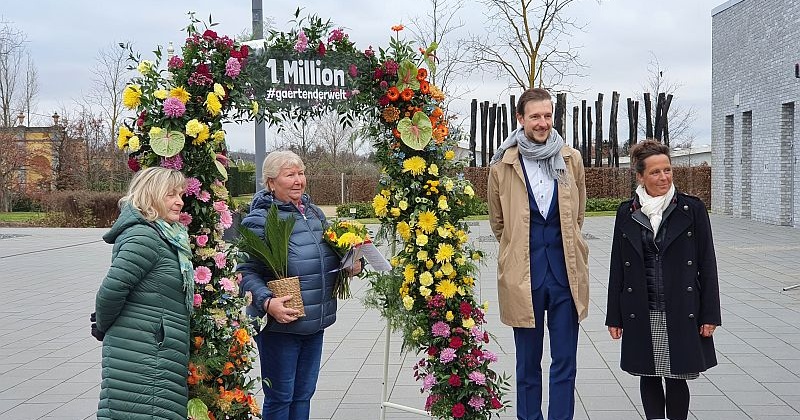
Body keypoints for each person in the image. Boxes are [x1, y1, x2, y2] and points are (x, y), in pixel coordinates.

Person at [488, 88, 590, 420]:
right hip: (524, 278)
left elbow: (577, 215)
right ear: (520, 119)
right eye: (535, 116)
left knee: (565, 362)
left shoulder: (571, 159)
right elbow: (498, 223)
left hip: (564, 277)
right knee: (527, 365)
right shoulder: (502, 165)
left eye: (547, 115)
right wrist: (517, 252)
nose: (542, 122)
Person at [238, 150, 361, 420]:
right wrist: (268, 302)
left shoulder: (314, 214)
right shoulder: (259, 219)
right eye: (290, 174)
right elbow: (245, 272)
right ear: (271, 182)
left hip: (315, 322)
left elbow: (325, 260)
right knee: (281, 397)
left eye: (301, 173)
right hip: (280, 327)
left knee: (304, 394)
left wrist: (349, 266)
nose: (298, 180)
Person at [605, 140, 721, 420]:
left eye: (667, 170)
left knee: (676, 375)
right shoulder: (627, 212)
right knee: (649, 373)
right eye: (655, 172)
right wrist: (614, 316)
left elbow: (707, 264)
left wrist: (710, 314)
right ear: (640, 176)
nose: (664, 177)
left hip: (682, 307)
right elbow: (617, 267)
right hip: (641, 306)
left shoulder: (691, 210)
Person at [94, 167, 193, 420]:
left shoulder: (164, 234)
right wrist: (104, 326)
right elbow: (111, 290)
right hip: (145, 352)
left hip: (152, 348)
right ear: (151, 195)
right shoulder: (144, 237)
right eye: (171, 195)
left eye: (180, 194)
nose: (180, 201)